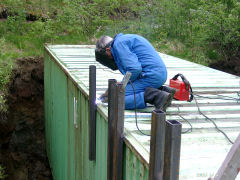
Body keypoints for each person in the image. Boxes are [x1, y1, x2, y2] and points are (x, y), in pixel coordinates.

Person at [95, 33, 176, 111]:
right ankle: (164, 91)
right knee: (118, 91)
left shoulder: (118, 45)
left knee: (116, 98)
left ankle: (156, 96)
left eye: (107, 57)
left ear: (108, 50)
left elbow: (134, 69)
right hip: (158, 74)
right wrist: (122, 84)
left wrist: (123, 83)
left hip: (150, 76)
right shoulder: (124, 39)